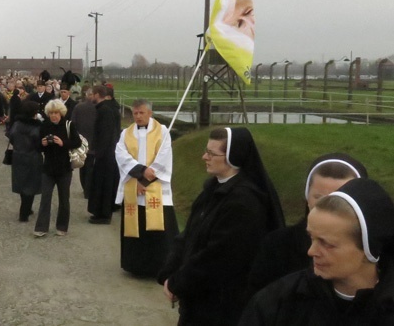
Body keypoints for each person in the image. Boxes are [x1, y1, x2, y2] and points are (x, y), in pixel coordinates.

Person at [158, 127, 284, 326]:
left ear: (233, 157)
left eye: (211, 153)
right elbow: (189, 234)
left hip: (221, 306)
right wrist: (170, 272)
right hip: (198, 299)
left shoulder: (244, 202)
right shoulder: (214, 188)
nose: (204, 157)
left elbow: (218, 256)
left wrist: (179, 283)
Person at [239, 178, 394, 325]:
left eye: (327, 244)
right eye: (312, 238)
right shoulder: (277, 303)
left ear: (369, 250)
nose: (311, 251)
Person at [247, 153, 368, 295]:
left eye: (338, 198)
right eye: (319, 197)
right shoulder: (277, 245)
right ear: (307, 197)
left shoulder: (375, 251)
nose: (326, 206)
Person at [115, 99, 179, 278]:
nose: (138, 116)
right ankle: (136, 265)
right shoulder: (126, 133)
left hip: (156, 188)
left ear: (150, 113)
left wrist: (145, 180)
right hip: (134, 186)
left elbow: (164, 158)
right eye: (135, 113)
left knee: (159, 229)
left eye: (141, 113)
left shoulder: (163, 132)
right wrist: (139, 174)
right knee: (136, 227)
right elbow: (121, 155)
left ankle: (162, 266)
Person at [34, 99, 82, 237]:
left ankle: (62, 226)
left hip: (64, 168)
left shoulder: (68, 125)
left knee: (64, 199)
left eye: (56, 113)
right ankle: (41, 227)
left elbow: (77, 142)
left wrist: (63, 143)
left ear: (61, 113)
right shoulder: (44, 126)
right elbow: (36, 146)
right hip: (48, 168)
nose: (54, 115)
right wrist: (42, 143)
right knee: (45, 198)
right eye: (51, 113)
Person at [87, 85, 121, 224]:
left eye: (92, 94)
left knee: (104, 185)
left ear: (97, 95)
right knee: (102, 184)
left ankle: (104, 214)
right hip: (107, 153)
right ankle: (101, 211)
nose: (91, 97)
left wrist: (98, 153)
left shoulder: (105, 111)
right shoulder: (106, 109)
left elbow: (106, 134)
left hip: (106, 154)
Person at [9, 100, 43, 222]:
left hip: (18, 156)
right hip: (33, 157)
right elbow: (39, 143)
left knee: (22, 183)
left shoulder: (17, 124)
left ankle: (26, 208)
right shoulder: (37, 126)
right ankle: (25, 211)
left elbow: (11, 137)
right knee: (31, 184)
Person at [70, 88, 96, 198]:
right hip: (94, 141)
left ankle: (85, 187)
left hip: (82, 141)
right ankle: (89, 189)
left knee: (83, 166)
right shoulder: (98, 108)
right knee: (90, 166)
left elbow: (73, 123)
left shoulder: (78, 107)